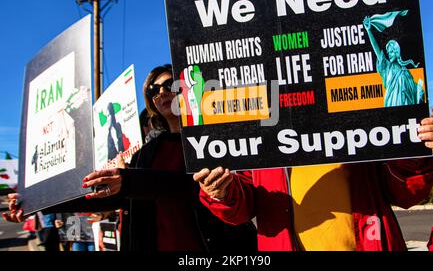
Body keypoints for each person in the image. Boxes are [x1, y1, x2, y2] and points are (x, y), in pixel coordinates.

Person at [4, 64, 257, 252]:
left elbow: (191, 186)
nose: (161, 93)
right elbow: (116, 196)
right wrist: (37, 202)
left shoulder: (215, 140)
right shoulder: (147, 152)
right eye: (153, 89)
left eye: (169, 85)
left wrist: (130, 181)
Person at [193, 117, 433, 251]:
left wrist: (414, 154)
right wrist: (222, 193)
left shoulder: (360, 115)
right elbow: (244, 205)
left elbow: (406, 193)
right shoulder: (258, 131)